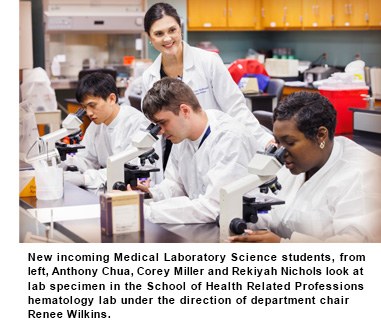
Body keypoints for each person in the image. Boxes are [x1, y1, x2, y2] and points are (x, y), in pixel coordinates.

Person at [229, 91, 381, 243]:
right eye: (278, 142)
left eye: (289, 142)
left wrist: (282, 246)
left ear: (321, 135)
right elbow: (275, 215)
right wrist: (249, 223)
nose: (281, 152)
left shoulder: (361, 175)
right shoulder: (298, 163)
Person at [142, 2, 273, 171]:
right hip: (174, 153)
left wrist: (263, 140)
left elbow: (235, 107)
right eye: (159, 33)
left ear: (180, 27)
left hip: (215, 146)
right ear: (149, 37)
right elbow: (154, 124)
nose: (167, 38)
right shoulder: (149, 76)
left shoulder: (208, 61)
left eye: (172, 30)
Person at [132, 77, 260, 224]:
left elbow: (216, 206)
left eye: (163, 123)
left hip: (244, 229)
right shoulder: (181, 135)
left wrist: (146, 212)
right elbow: (175, 185)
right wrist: (149, 195)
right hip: (204, 223)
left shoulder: (229, 138)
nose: (159, 131)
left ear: (185, 111)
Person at [64, 72, 150, 189]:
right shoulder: (97, 124)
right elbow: (87, 159)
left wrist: (84, 179)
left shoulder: (135, 122)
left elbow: (128, 170)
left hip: (134, 192)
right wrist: (64, 163)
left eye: (92, 105)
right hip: (106, 189)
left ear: (111, 99)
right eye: (85, 107)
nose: (88, 113)